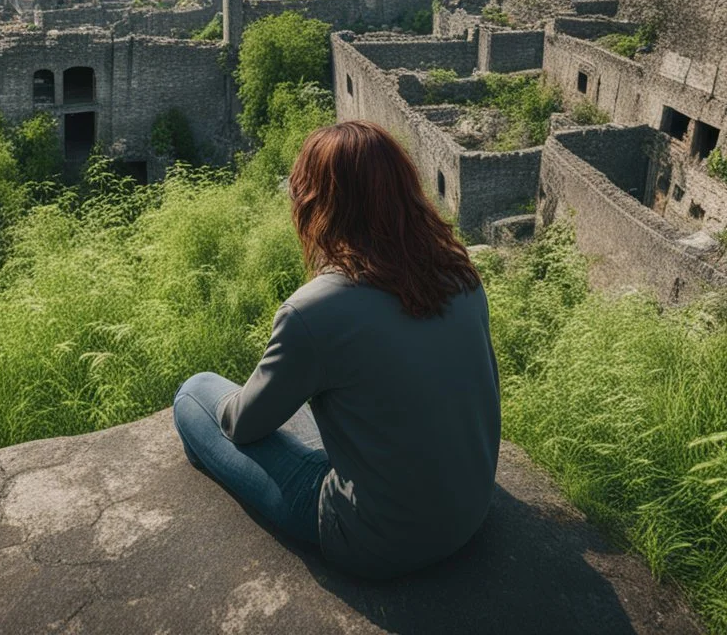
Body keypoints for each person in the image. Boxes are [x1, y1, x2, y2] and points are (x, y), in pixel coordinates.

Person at [172, 120, 500, 579]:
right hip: (471, 508)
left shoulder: (317, 309)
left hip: (376, 538)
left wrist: (230, 411)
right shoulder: (460, 273)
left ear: (317, 204)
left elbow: (245, 425)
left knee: (195, 392)